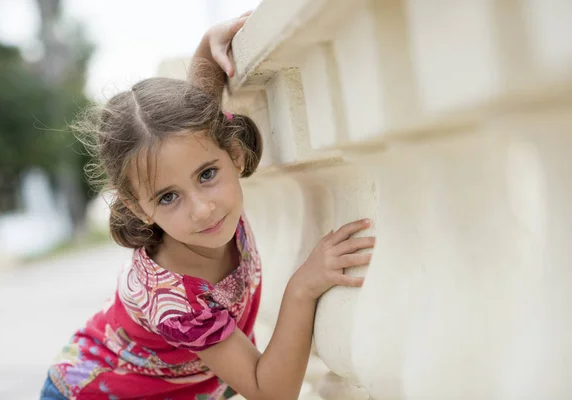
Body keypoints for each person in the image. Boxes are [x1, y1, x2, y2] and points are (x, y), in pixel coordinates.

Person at [41, 11, 376, 400]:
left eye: (206, 175)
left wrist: (208, 45)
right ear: (138, 208)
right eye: (168, 197)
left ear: (234, 154)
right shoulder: (172, 299)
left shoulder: (204, 162)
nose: (201, 209)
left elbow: (201, 107)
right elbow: (271, 392)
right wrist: (301, 287)